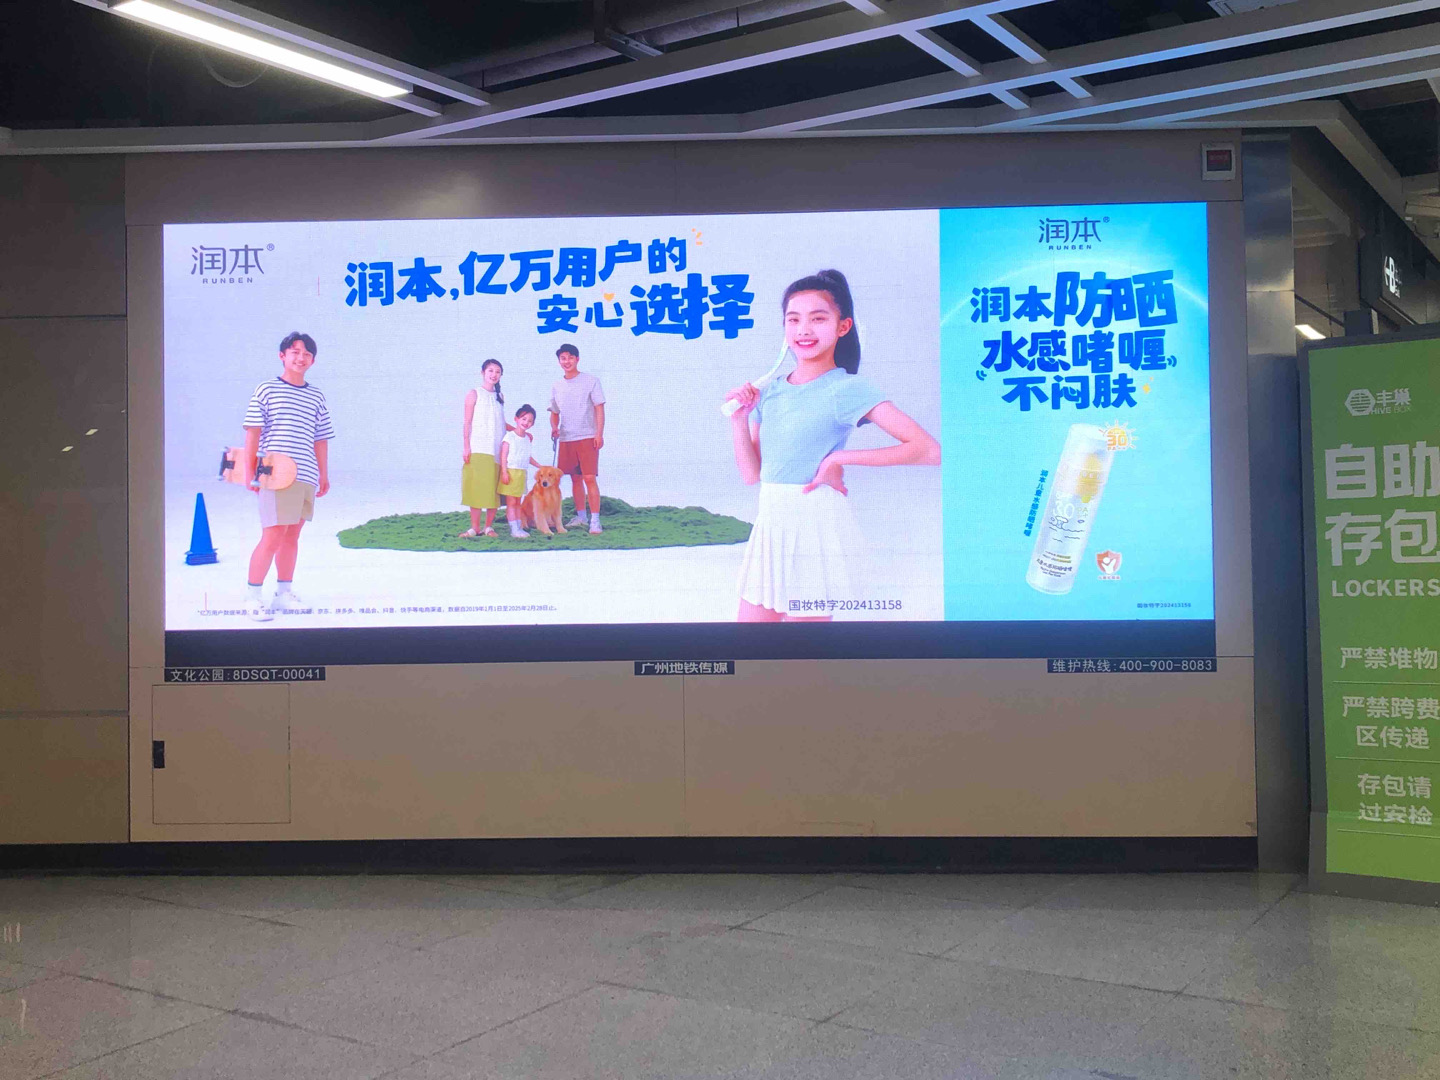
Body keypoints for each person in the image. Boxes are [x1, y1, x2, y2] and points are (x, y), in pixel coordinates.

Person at [725, 269, 939, 623]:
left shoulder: (848, 389)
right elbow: (752, 475)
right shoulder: (770, 392)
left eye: (818, 318)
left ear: (843, 327)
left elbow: (928, 450)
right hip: (770, 527)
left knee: (803, 653)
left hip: (814, 529)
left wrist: (839, 458)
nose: (804, 330)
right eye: (794, 319)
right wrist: (738, 420)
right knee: (749, 646)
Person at [242, 330, 334, 622]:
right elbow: (253, 432)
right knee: (272, 535)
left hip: (306, 474)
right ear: (282, 356)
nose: (301, 357)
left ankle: (283, 593)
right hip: (276, 472)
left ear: (313, 361)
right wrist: (250, 472)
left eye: (307, 354)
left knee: (292, 536)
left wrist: (323, 473)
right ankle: (253, 597)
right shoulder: (267, 389)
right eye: (295, 352)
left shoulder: (316, 395)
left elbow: (320, 438)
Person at [547, 343, 606, 535]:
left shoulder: (591, 381)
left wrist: (599, 434)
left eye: (570, 357)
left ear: (577, 359)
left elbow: (599, 408)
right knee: (575, 478)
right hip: (566, 438)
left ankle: (595, 520)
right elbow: (554, 412)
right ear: (559, 361)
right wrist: (554, 428)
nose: (567, 361)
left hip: (588, 436)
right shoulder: (557, 386)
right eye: (563, 358)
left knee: (589, 477)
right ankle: (581, 516)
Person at [460, 358, 506, 539]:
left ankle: (488, 527)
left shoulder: (500, 396)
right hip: (479, 447)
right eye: (491, 371)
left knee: (493, 490)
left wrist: (521, 431)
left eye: (498, 372)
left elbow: (501, 422)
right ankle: (474, 527)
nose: (494, 374)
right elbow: (467, 422)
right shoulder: (474, 394)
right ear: (483, 373)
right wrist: (466, 446)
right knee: (477, 488)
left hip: (497, 450)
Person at [498, 404, 542, 538]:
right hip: (511, 473)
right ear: (516, 419)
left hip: (522, 474)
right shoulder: (509, 437)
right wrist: (504, 472)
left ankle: (518, 527)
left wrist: (539, 466)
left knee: (518, 502)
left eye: (530, 421)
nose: (526, 423)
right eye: (524, 419)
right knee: (511, 502)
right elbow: (503, 456)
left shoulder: (527, 439)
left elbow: (527, 457)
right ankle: (514, 529)